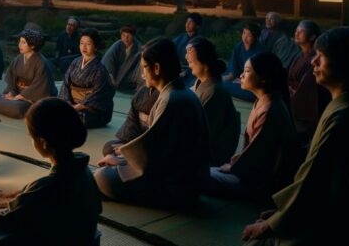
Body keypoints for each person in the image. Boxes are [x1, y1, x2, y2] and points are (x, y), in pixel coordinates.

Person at [242, 27, 349, 245]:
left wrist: (276, 222)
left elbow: (313, 179)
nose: (314, 62)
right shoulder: (340, 105)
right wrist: (281, 211)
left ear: (344, 62)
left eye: (322, 56)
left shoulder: (343, 116)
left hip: (333, 221)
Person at [0, 98, 102, 246]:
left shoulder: (44, 188)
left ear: (43, 143)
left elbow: (8, 228)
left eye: (31, 137)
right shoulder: (84, 171)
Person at [94, 38, 210, 209]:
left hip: (176, 187)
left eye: (144, 67)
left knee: (102, 177)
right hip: (173, 176)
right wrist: (123, 156)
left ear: (156, 68)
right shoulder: (176, 93)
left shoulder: (173, 100)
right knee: (110, 152)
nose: (142, 73)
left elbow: (157, 157)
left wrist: (122, 161)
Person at [205, 52, 300, 202]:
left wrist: (231, 167)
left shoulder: (270, 110)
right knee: (198, 171)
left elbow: (255, 156)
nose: (241, 75)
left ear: (263, 77)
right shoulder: (265, 101)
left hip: (259, 183)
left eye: (247, 71)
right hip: (249, 173)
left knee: (195, 176)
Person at [186, 37, 241, 166]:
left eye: (192, 63)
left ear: (205, 65)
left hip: (208, 158)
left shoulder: (215, 92)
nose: (189, 64)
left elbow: (200, 134)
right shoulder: (199, 84)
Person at [0, 30, 57, 119]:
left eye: (23, 42)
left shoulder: (42, 63)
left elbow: (39, 88)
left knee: (16, 108)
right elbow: (12, 80)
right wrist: (11, 93)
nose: (19, 45)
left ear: (33, 45)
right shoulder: (18, 59)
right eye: (19, 42)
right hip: (19, 93)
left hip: (34, 98)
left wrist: (18, 97)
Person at [58, 28, 115, 128]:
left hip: (93, 110)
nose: (84, 47)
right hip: (73, 104)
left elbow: (98, 94)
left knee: (74, 117)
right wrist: (67, 103)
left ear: (96, 47)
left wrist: (76, 107)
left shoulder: (100, 69)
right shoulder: (75, 62)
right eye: (81, 43)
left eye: (88, 44)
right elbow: (66, 85)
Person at [287, 20, 331, 145]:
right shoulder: (298, 55)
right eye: (296, 31)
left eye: (301, 31)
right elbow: (288, 77)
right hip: (293, 94)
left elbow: (309, 84)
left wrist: (293, 93)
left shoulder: (315, 58)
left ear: (312, 36)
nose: (296, 34)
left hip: (306, 99)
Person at [101, 86, 159, 156]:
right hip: (137, 140)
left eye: (144, 73)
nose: (143, 75)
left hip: (151, 146)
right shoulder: (143, 90)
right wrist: (127, 145)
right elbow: (132, 121)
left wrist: (131, 148)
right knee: (109, 148)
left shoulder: (168, 97)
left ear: (157, 73)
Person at [224, 22, 266, 102]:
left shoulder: (260, 52)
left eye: (249, 35)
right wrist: (231, 76)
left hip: (252, 84)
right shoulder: (239, 47)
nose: (245, 37)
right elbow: (233, 68)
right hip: (238, 78)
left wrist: (243, 79)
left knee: (223, 85)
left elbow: (259, 76)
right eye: (243, 33)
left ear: (255, 37)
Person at [101, 25, 144, 92]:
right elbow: (108, 60)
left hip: (130, 80)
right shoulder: (117, 45)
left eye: (128, 36)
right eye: (123, 35)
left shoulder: (139, 48)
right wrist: (111, 77)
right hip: (115, 77)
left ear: (133, 36)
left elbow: (141, 67)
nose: (126, 38)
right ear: (121, 36)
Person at [173, 12, 202, 87]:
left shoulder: (200, 41)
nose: (187, 24)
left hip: (192, 71)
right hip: (178, 69)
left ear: (197, 26)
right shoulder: (180, 39)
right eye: (187, 21)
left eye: (191, 22)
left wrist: (187, 72)